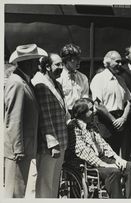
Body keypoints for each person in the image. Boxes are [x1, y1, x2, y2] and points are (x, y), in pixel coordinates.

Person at [67, 98, 131, 198]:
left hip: (102, 158)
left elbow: (103, 144)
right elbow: (84, 152)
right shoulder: (73, 127)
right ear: (81, 113)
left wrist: (118, 158)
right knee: (114, 172)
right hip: (89, 163)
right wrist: (106, 165)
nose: (94, 111)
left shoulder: (91, 125)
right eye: (91, 109)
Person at [4, 44, 47, 197]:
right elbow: (14, 119)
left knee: (19, 191)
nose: (37, 66)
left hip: (24, 148)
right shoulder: (17, 83)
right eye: (36, 62)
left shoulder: (24, 82)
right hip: (19, 150)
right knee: (15, 192)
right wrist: (18, 149)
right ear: (28, 63)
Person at [32, 53, 70, 198]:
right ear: (47, 66)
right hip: (50, 146)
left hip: (61, 141)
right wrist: (52, 144)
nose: (61, 68)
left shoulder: (57, 84)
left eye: (62, 64)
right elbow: (45, 117)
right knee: (45, 183)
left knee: (54, 183)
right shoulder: (41, 85)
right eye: (58, 65)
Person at [90, 50, 131, 157]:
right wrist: (114, 121)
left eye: (121, 62)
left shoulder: (121, 80)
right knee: (105, 156)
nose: (120, 65)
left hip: (120, 122)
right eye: (117, 62)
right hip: (104, 122)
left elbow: (129, 102)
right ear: (108, 62)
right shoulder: (99, 78)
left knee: (117, 155)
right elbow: (98, 105)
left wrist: (123, 118)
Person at [57, 43, 89, 115]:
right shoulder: (58, 77)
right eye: (75, 59)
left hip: (80, 115)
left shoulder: (83, 78)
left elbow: (85, 98)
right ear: (66, 60)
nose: (79, 61)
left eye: (79, 58)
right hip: (63, 114)